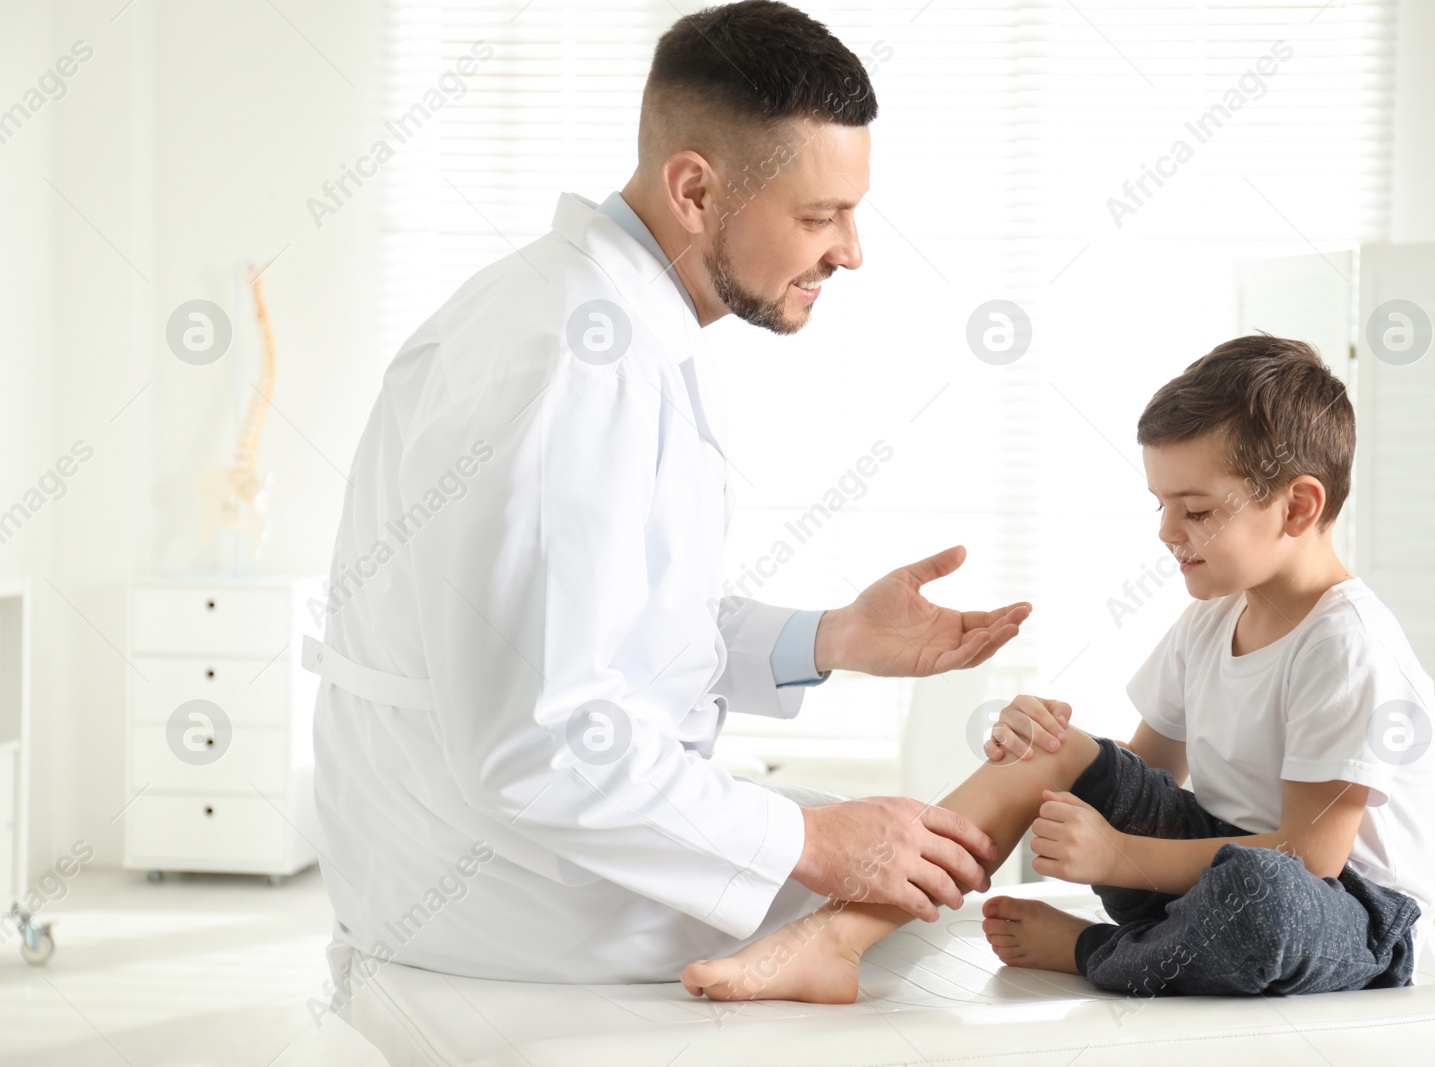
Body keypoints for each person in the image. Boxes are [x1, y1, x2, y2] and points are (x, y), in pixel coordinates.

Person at [307, 0, 1031, 991]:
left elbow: (611, 622)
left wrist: (827, 637)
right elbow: (538, 739)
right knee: (941, 916)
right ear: (694, 189)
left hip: (476, 836)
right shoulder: (574, 357)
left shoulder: (606, 320)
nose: (851, 251)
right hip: (495, 888)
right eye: (819, 217)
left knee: (927, 857)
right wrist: (810, 838)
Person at [681, 335, 1435, 1002]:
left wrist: (1116, 857)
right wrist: (1054, 754)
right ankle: (835, 939)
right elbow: (1142, 774)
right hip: (1207, 876)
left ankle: (1091, 951)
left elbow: (1313, 857)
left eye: (1197, 509)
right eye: (1160, 504)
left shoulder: (1347, 645)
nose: (1167, 532)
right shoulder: (1211, 618)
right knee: (1053, 752)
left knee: (1261, 898)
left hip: (1346, 913)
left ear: (1299, 506)